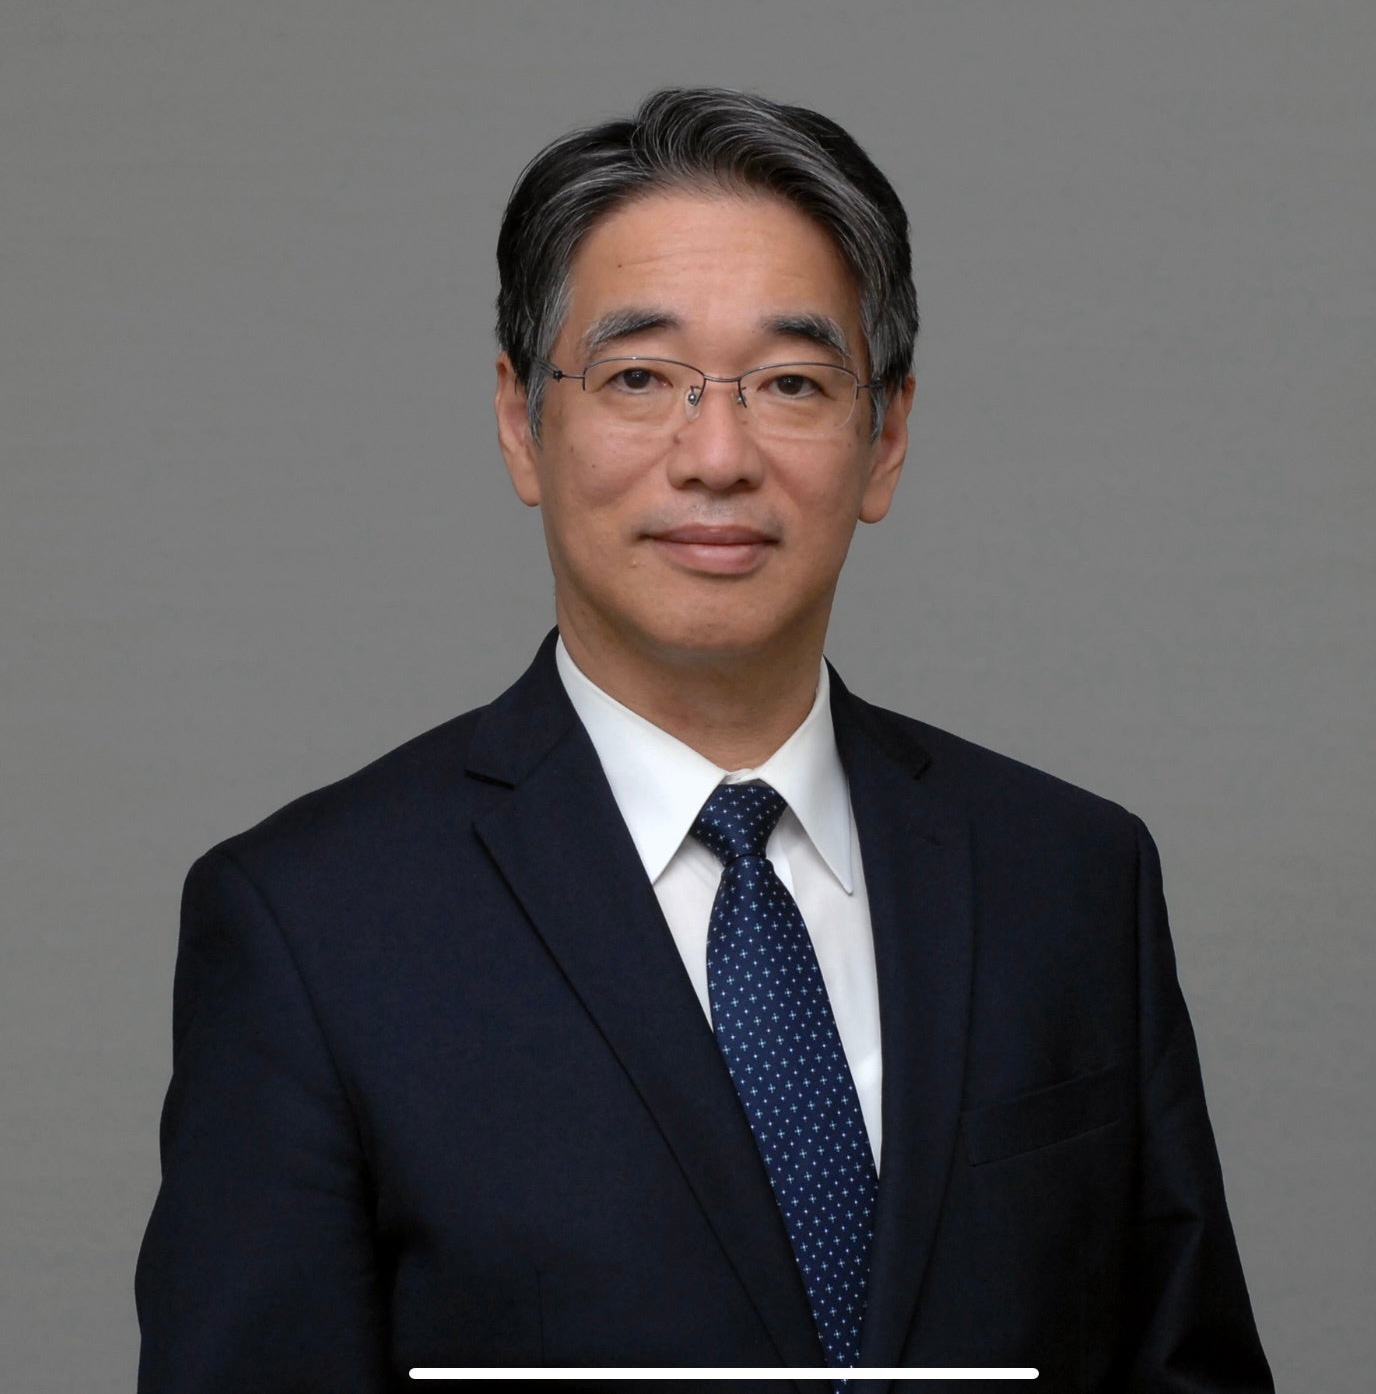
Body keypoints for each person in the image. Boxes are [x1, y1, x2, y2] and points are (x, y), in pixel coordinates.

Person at [136, 88, 1272, 1391]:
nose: (717, 455)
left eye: (791, 382)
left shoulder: (1071, 876)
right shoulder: (311, 926)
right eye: (640, 378)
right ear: (521, 420)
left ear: (887, 436)